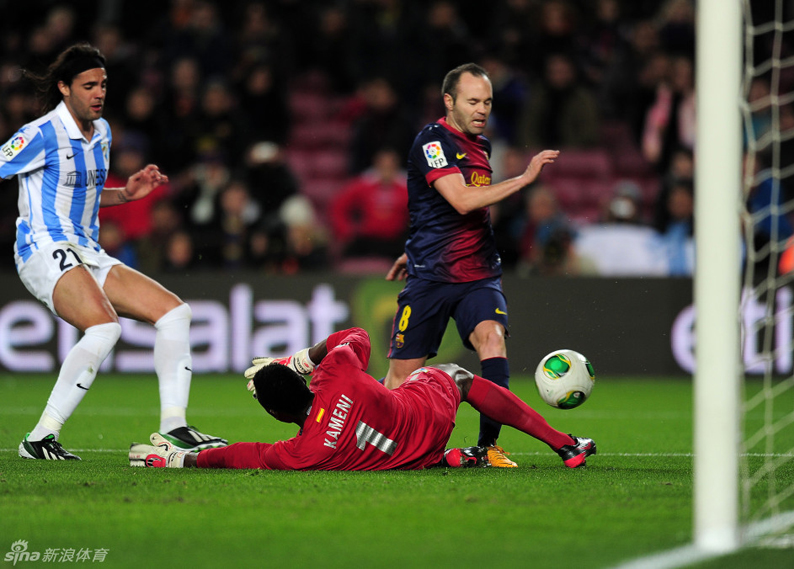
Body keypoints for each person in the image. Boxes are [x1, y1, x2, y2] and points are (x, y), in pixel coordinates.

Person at [0, 43, 227, 461]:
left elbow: (82, 194)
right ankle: (40, 437)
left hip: (87, 249)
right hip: (43, 246)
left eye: (103, 84)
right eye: (89, 85)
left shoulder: (102, 133)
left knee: (176, 313)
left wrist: (126, 194)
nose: (99, 93)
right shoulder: (39, 133)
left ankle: (174, 428)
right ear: (65, 88)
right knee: (104, 327)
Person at [383, 62, 560, 468]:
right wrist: (524, 178)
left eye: (488, 102)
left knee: (492, 339)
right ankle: (362, 430)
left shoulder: (482, 145)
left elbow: (448, 212)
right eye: (473, 101)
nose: (482, 109)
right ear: (449, 101)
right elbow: (461, 200)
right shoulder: (432, 142)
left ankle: (486, 448)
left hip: (479, 272)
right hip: (431, 277)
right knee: (400, 380)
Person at [129, 327, 596, 471]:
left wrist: (182, 462)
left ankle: (447, 459)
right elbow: (354, 336)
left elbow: (241, 455)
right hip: (426, 419)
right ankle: (564, 444)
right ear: (304, 380)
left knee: (380, 446)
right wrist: (302, 359)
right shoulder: (335, 373)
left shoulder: (301, 452)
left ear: (275, 413)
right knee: (454, 375)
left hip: (411, 456)